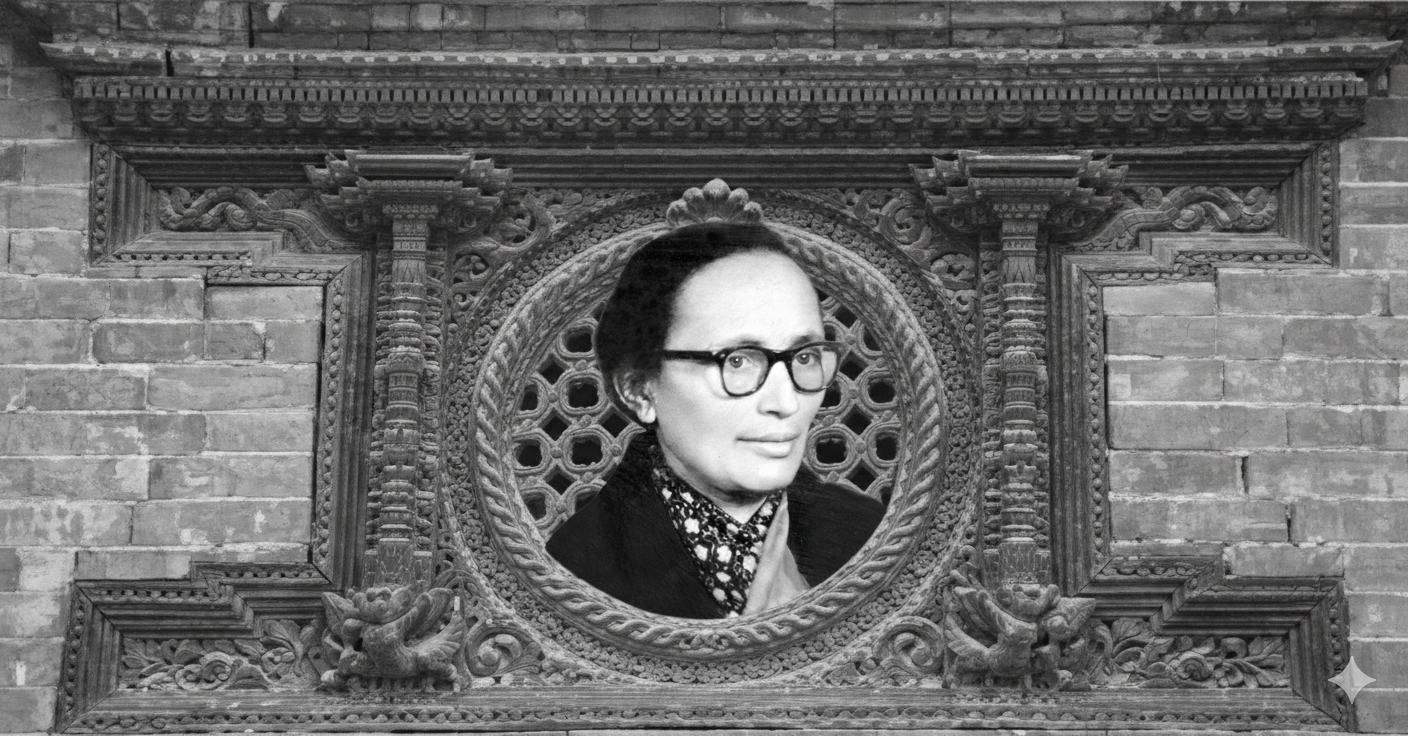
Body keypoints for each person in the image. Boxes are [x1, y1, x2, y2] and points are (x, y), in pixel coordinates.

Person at [546, 222, 885, 619]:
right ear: (640, 390)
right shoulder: (575, 568)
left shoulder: (868, 533)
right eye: (737, 361)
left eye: (805, 357)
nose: (786, 402)